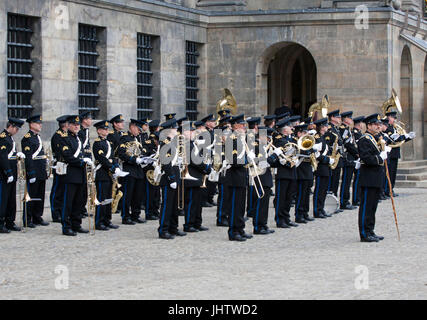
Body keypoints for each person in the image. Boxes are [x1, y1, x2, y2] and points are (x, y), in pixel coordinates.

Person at [57, 115, 92, 236]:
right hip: (70, 175)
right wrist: (82, 162)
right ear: (69, 126)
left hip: (81, 175)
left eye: (78, 125)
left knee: (79, 202)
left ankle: (76, 224)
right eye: (74, 125)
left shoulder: (79, 139)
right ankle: (66, 226)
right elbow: (68, 156)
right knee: (68, 202)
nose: (77, 127)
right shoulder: (64, 139)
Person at [357, 113, 388, 242]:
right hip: (368, 177)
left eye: (379, 124)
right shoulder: (365, 139)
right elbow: (366, 158)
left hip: (376, 177)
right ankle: (364, 233)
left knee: (373, 206)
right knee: (366, 206)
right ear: (369, 125)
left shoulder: (375, 138)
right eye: (376, 124)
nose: (378, 126)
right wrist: (380, 157)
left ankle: (370, 230)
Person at [92, 120, 128, 230]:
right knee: (102, 198)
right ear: (99, 131)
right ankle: (99, 221)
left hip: (109, 174)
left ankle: (107, 219)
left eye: (107, 129)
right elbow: (102, 159)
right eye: (104, 129)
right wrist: (112, 167)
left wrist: (116, 166)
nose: (106, 131)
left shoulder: (108, 143)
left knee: (109, 198)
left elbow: (113, 157)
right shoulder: (97, 143)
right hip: (102, 173)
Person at [225, 114, 253, 241]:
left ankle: (240, 229)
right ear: (235, 125)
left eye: (244, 125)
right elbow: (233, 161)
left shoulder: (242, 139)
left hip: (242, 176)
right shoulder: (231, 139)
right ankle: (233, 231)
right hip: (234, 178)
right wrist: (247, 159)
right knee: (234, 207)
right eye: (242, 125)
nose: (244, 127)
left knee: (241, 206)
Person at [157, 118, 186, 239]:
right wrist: (172, 178)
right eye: (174, 128)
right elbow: (166, 163)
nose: (176, 130)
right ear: (169, 130)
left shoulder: (172, 142)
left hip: (175, 174)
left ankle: (173, 227)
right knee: (167, 205)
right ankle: (163, 229)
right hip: (168, 177)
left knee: (174, 205)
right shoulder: (165, 143)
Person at [268, 118, 298, 229]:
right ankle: (280, 219)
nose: (292, 128)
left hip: (292, 170)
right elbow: (286, 152)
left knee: (289, 197)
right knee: (281, 197)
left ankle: (286, 217)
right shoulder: (280, 140)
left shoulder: (291, 139)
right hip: (283, 171)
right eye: (290, 127)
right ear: (285, 130)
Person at [21, 114, 49, 227]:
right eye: (38, 123)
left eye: (40, 123)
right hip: (34, 171)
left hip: (41, 170)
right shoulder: (27, 138)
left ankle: (37, 216)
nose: (40, 125)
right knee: (31, 195)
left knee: (40, 195)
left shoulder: (37, 137)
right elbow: (28, 157)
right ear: (31, 124)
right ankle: (28, 219)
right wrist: (31, 173)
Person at [117, 119, 147, 225]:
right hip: (128, 169)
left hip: (138, 170)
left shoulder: (137, 139)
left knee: (138, 194)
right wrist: (134, 160)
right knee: (127, 195)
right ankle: (125, 216)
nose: (139, 131)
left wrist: (145, 159)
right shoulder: (124, 138)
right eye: (138, 129)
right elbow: (121, 154)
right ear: (132, 127)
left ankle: (136, 214)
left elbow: (141, 152)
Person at [0, 118, 25, 233]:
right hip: (4, 174)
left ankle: (10, 221)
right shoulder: (3, 138)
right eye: (16, 128)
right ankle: (1, 223)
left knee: (11, 200)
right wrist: (8, 172)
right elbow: (3, 157)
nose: (17, 131)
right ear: (11, 126)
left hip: (12, 173)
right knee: (3, 199)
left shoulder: (9, 138)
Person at [384, 111, 416, 197]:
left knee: (393, 173)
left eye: (395, 118)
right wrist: (405, 136)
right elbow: (394, 139)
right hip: (390, 153)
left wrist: (409, 137)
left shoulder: (395, 128)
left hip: (395, 153)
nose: (394, 120)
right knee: (389, 173)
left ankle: (391, 189)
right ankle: (387, 190)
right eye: (393, 118)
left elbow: (400, 139)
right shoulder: (388, 128)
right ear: (388, 118)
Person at [252, 126, 274, 235]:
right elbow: (260, 163)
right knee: (260, 203)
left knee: (265, 204)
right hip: (260, 177)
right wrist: (273, 157)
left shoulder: (264, 146)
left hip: (266, 177)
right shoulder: (256, 146)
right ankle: (258, 226)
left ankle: (263, 224)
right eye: (267, 136)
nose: (269, 139)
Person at [293, 123, 315, 224]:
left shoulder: (307, 141)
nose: (306, 134)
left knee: (306, 193)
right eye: (304, 132)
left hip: (307, 169)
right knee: (301, 193)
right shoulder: (295, 142)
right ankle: (299, 214)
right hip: (300, 169)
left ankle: (305, 212)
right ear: (298, 133)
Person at [312, 118, 334, 219]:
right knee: (319, 190)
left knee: (324, 189)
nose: (327, 128)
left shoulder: (323, 137)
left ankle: (321, 208)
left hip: (326, 167)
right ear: (321, 127)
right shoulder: (316, 138)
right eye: (325, 126)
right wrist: (327, 160)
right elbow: (317, 155)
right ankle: (317, 210)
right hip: (320, 167)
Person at [50, 115, 69, 223]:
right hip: (60, 165)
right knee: (57, 190)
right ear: (65, 124)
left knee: (63, 190)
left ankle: (61, 211)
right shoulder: (58, 136)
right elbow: (60, 152)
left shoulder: (66, 135)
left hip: (66, 166)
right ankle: (55, 213)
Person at [339, 111, 359, 210]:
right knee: (346, 181)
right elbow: (348, 144)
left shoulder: (347, 129)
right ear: (345, 119)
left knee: (348, 180)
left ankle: (346, 200)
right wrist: (357, 153)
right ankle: (344, 201)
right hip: (347, 157)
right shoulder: (343, 129)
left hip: (351, 157)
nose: (351, 120)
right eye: (350, 118)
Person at [325, 109, 344, 213]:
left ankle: (334, 203)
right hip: (332, 158)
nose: (340, 119)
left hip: (337, 158)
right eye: (338, 117)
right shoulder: (329, 128)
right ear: (332, 117)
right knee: (331, 183)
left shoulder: (336, 129)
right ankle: (328, 204)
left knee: (335, 182)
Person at [142, 119, 161, 221]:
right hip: (150, 169)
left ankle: (155, 210)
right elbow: (145, 155)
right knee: (150, 192)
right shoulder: (148, 141)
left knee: (157, 192)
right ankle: (149, 212)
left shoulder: (158, 139)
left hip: (157, 169)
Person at [351, 116, 364, 207]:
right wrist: (358, 154)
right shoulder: (355, 133)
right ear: (359, 124)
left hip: (360, 158)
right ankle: (356, 199)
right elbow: (354, 146)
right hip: (357, 159)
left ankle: (358, 197)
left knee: (360, 180)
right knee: (357, 180)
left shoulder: (359, 133)